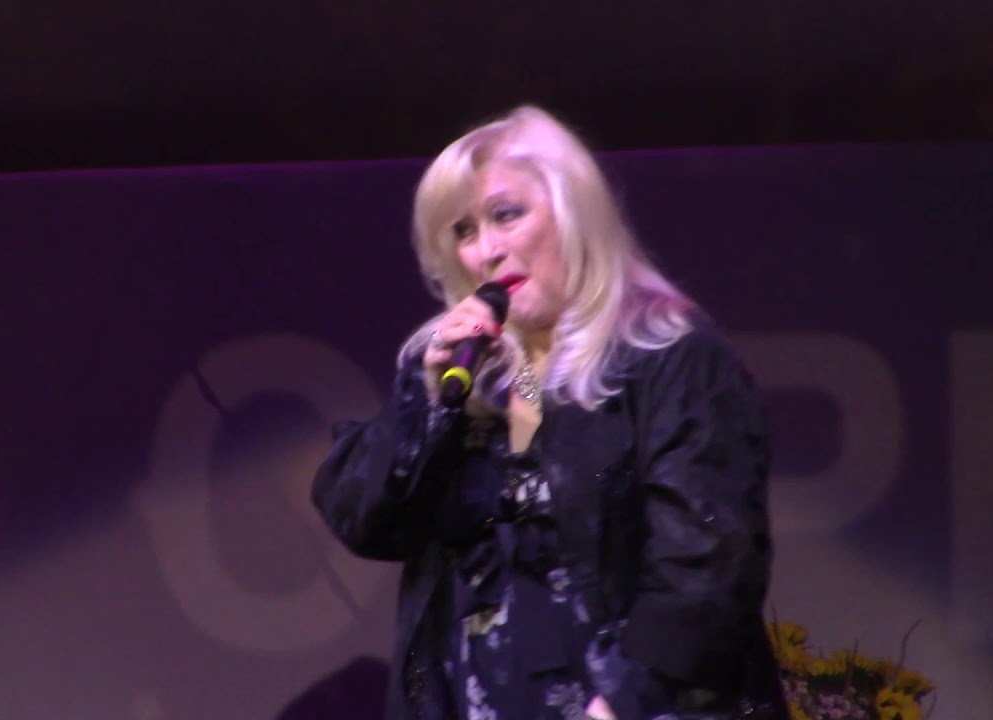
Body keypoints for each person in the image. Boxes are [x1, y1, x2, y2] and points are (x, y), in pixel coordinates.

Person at [312, 105, 786, 720]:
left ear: (573, 211)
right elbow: (363, 519)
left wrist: (626, 702)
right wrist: (424, 405)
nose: (486, 250)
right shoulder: (472, 376)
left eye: (506, 215)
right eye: (463, 231)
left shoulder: (669, 356)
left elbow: (709, 563)